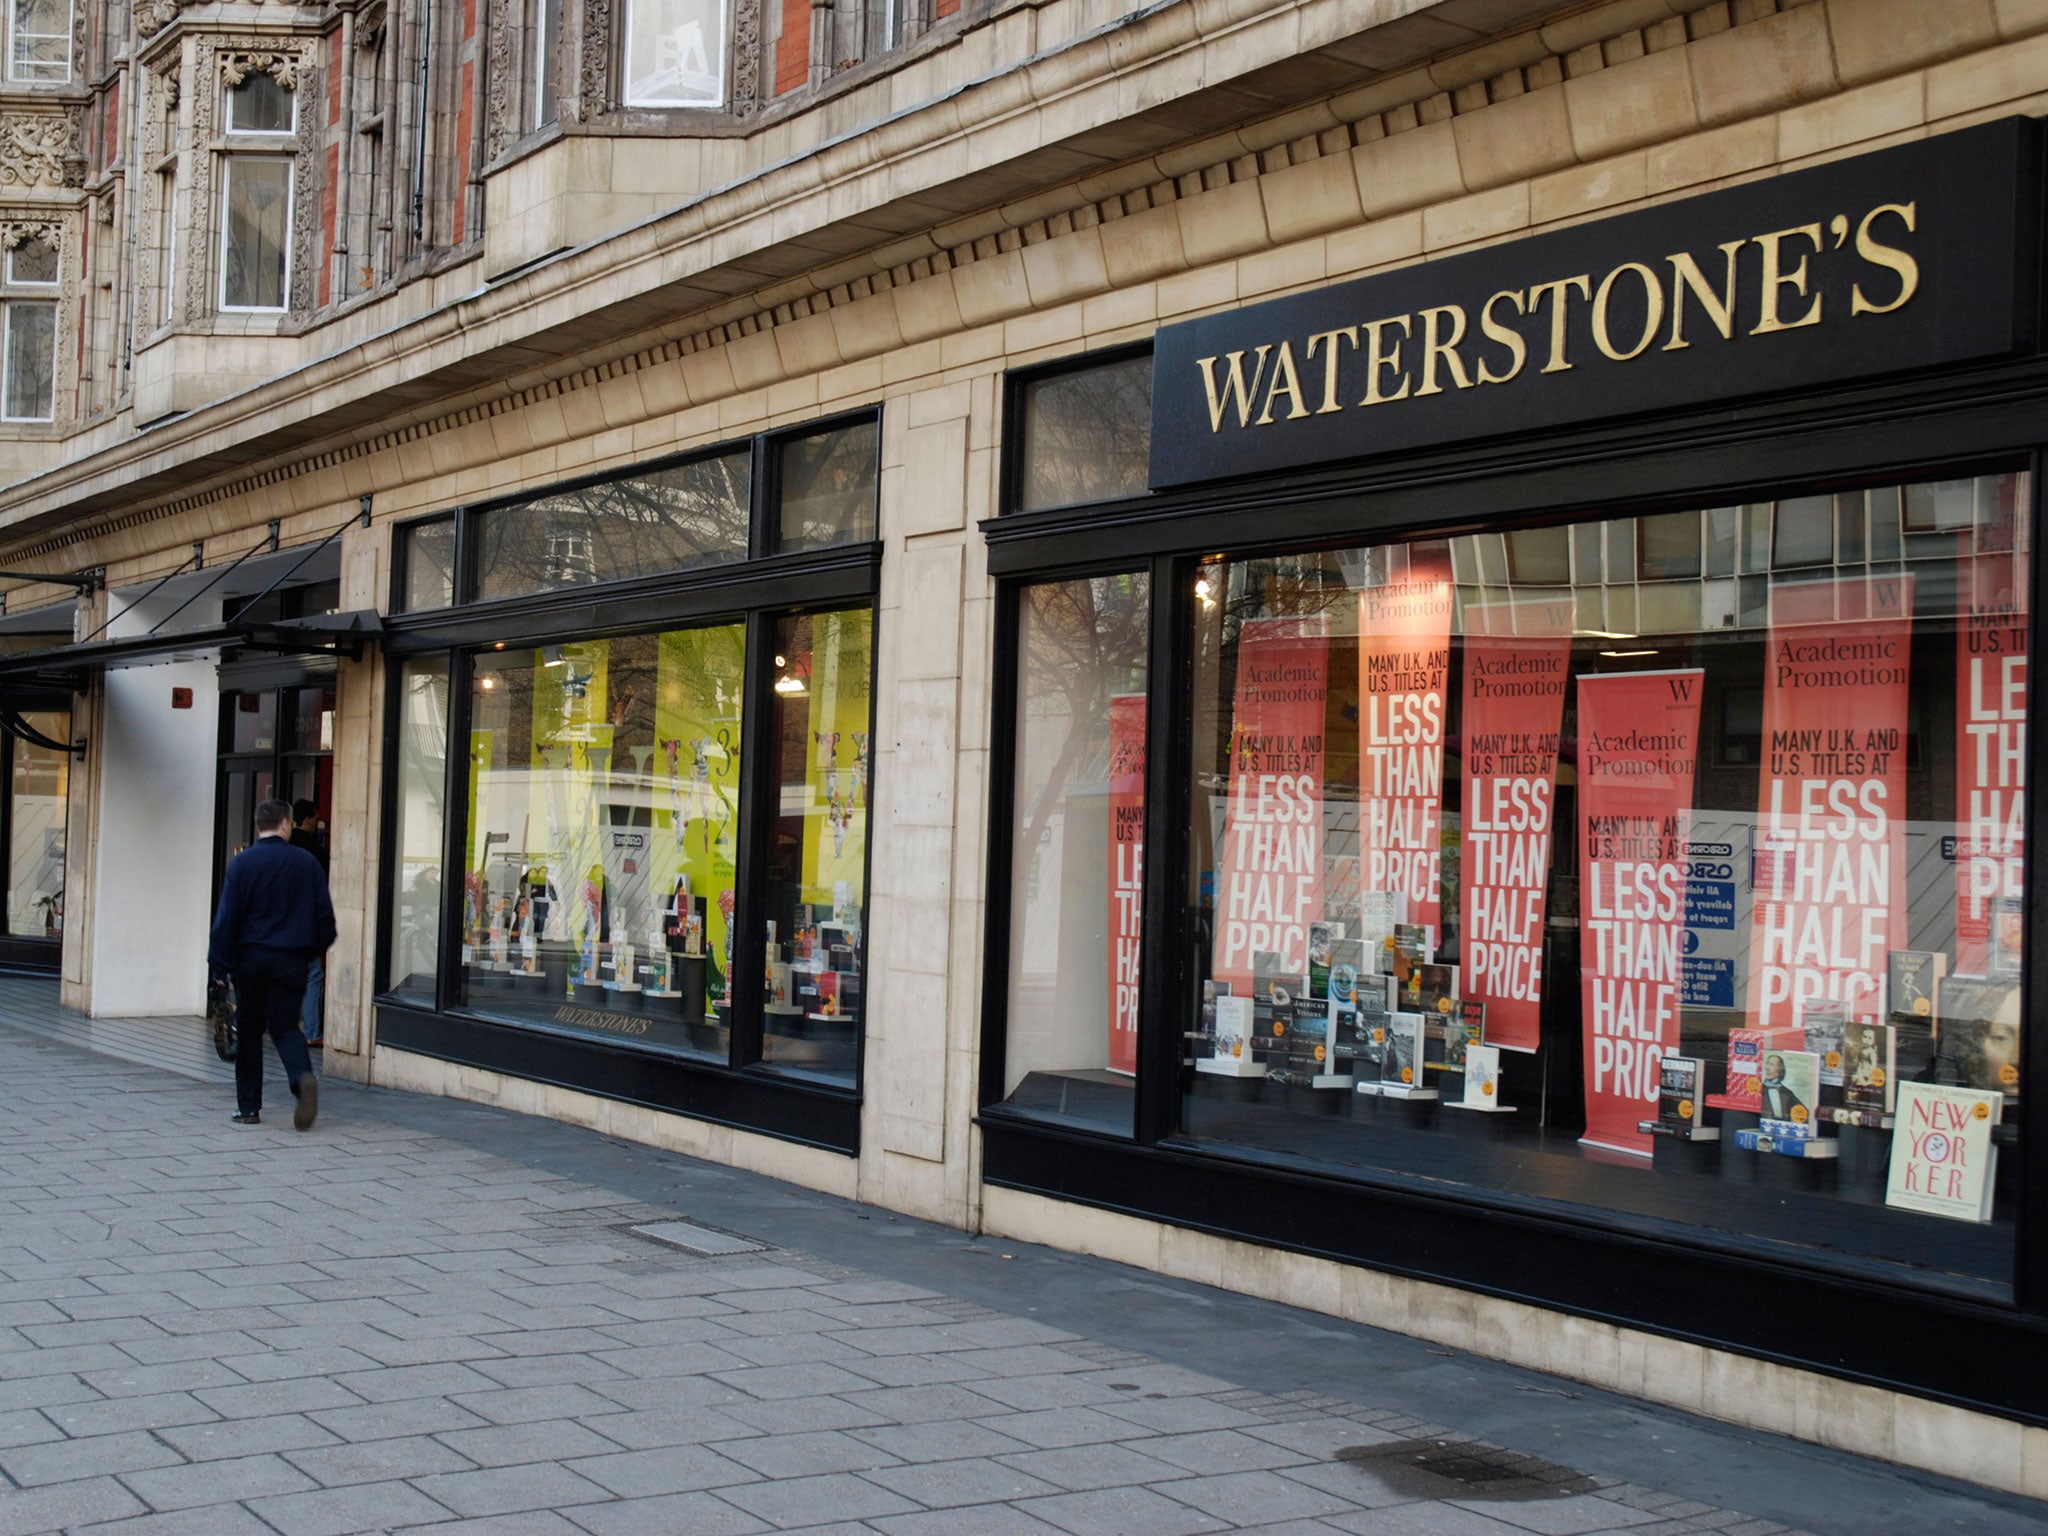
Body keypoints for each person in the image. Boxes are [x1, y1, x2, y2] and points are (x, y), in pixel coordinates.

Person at [209, 797, 336, 1129]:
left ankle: (248, 1107)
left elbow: (227, 919)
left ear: (259, 825)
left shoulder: (241, 864)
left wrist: (219, 966)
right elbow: (325, 918)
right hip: (290, 959)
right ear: (286, 823)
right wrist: (310, 953)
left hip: (249, 961)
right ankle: (301, 1078)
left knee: (250, 1030)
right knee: (284, 1026)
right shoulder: (306, 863)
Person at [289, 799, 330, 1046]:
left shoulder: (284, 844)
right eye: (316, 817)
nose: (318, 821)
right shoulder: (313, 850)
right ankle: (312, 1031)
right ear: (307, 819)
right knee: (313, 973)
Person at [1759, 1053, 1805, 1121]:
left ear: (1779, 1070)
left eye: (1771, 1065)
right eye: (1767, 1064)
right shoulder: (1759, 1090)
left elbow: (1804, 1112)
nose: (1767, 1068)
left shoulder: (1787, 1092)